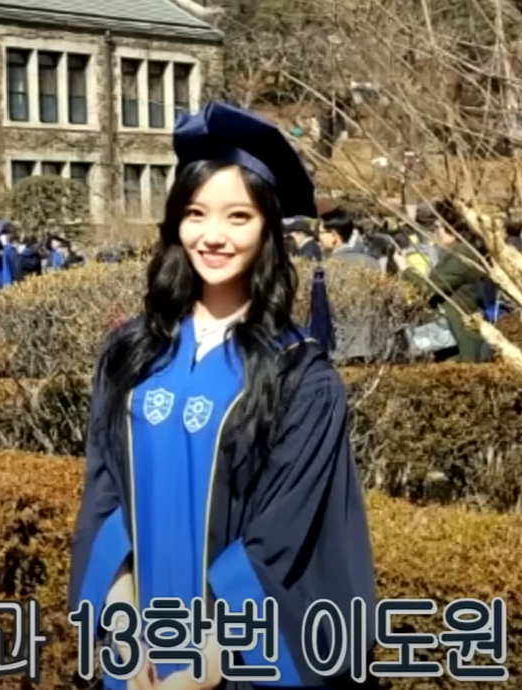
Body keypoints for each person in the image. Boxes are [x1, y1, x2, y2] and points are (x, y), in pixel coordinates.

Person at [70, 102, 375, 690]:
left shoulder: (298, 375)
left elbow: (284, 538)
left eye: (238, 216)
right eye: (195, 214)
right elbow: (104, 494)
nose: (212, 236)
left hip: (234, 661)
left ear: (267, 229)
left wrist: (200, 667)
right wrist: (123, 625)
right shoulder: (131, 354)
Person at [393, 200, 489, 362]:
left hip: (457, 335)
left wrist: (405, 269)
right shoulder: (455, 252)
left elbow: (431, 288)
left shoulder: (461, 255)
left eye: (437, 227)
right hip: (448, 333)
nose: (435, 231)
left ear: (451, 229)